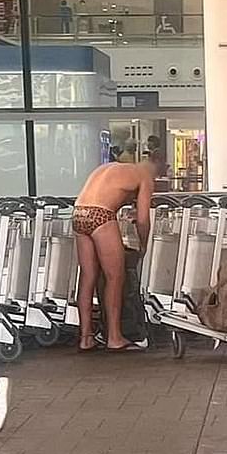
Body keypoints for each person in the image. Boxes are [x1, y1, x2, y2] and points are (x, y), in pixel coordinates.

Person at [72, 150, 165, 352]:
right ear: (158, 168)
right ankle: (114, 337)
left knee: (88, 277)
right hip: (101, 215)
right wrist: (144, 245)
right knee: (115, 277)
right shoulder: (145, 177)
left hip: (79, 211)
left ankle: (85, 337)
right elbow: (142, 220)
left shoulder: (110, 167)